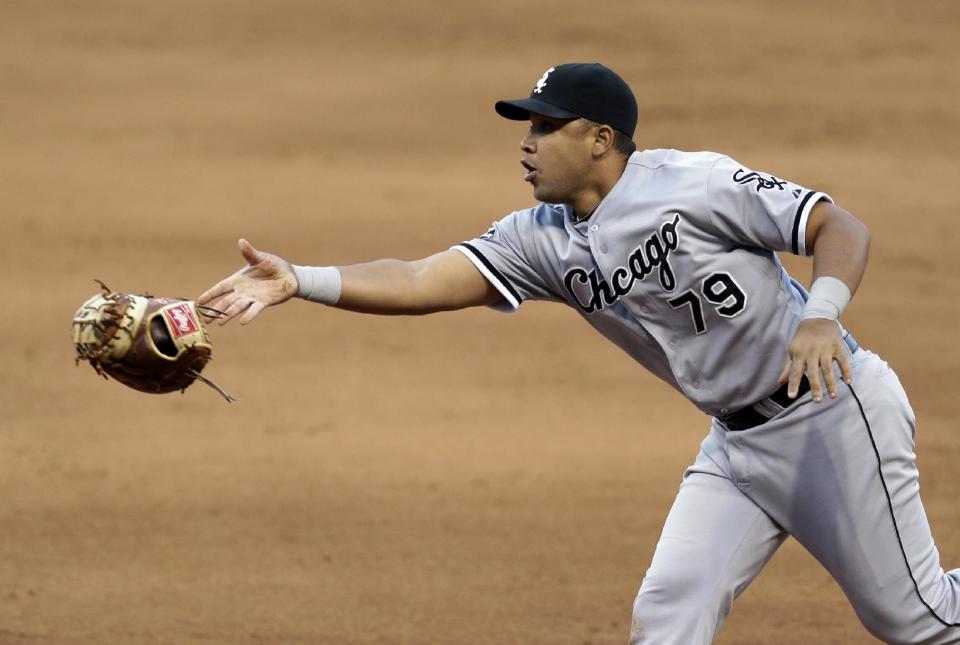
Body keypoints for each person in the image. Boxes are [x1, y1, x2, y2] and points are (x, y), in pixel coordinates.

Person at [198, 63, 960, 643]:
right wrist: (300, 280)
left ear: (600, 140)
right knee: (670, 609)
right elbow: (424, 277)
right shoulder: (541, 238)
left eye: (544, 127)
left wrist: (822, 312)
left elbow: (837, 226)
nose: (526, 145)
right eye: (526, 127)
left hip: (830, 412)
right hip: (737, 444)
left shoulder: (692, 183)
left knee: (915, 618)